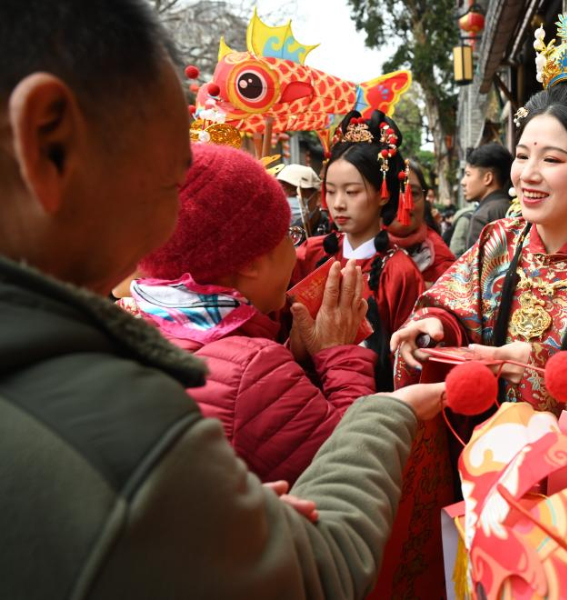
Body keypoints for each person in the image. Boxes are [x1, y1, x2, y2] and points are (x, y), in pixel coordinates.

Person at [0, 2, 444, 598]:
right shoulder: (132, 426)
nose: (173, 226)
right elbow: (320, 568)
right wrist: (377, 405)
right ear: (49, 141)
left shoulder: (110, 343)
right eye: (170, 179)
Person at [393, 80, 567, 411]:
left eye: (551, 160)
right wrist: (437, 327)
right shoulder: (497, 240)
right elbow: (454, 308)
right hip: (485, 439)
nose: (527, 174)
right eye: (522, 156)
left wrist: (538, 367)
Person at [134, 142, 376, 485]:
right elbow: (353, 464)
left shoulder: (139, 321)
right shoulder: (252, 366)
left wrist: (296, 359)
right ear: (251, 263)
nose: (295, 251)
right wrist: (337, 353)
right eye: (287, 236)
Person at [294, 110, 425, 391]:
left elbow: (405, 363)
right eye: (331, 191)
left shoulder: (399, 271)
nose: (338, 203)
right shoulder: (309, 253)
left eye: (351, 192)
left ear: (382, 193)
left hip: (369, 396)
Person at [386, 160, 456, 288]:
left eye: (413, 193)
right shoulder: (355, 251)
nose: (403, 203)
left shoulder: (444, 263)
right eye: (392, 194)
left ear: (425, 200)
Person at [461, 142, 514, 249]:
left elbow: (476, 259)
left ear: (488, 178)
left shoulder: (482, 216)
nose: (463, 182)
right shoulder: (514, 207)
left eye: (468, 174)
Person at [275, 163, 329, 241]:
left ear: (318, 197)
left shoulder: (331, 234)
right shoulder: (276, 235)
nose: (287, 201)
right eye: (282, 194)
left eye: (295, 194)